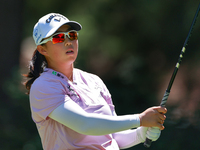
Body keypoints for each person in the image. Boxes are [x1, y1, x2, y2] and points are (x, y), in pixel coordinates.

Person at [23, 13, 167, 150]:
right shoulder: (43, 86)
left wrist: (140, 133)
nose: (68, 42)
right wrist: (140, 119)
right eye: (59, 38)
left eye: (71, 35)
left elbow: (113, 136)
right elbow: (85, 124)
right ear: (42, 49)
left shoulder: (94, 81)